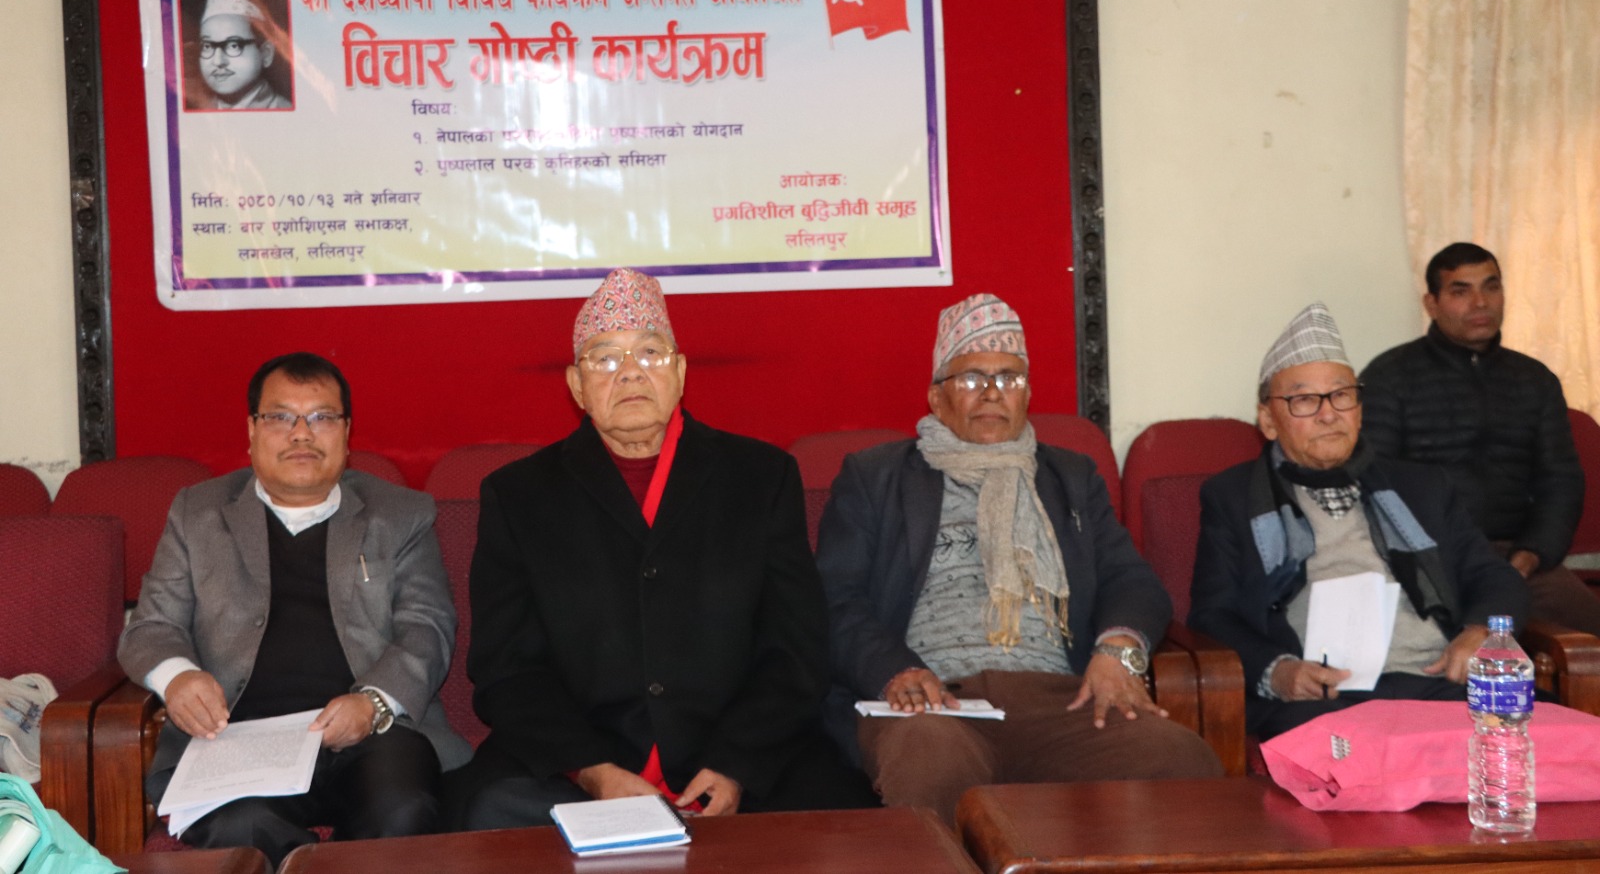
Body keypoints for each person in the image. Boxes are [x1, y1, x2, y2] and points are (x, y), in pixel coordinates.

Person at [452, 267, 874, 829]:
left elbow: (796, 650)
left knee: (844, 825)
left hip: (740, 750)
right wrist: (592, 770)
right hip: (577, 759)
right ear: (576, 386)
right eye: (605, 359)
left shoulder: (760, 477)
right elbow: (505, 667)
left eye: (650, 353)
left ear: (679, 372)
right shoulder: (520, 495)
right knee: (488, 811)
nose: (630, 372)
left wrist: (735, 763)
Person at [815, 294, 1222, 824]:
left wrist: (1117, 651)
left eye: (1009, 377)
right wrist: (895, 671)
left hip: (1059, 700)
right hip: (933, 702)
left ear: (1027, 394)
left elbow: (1132, 581)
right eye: (971, 378)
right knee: (929, 760)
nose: (992, 392)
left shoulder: (1069, 478)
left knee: (1181, 757)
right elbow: (833, 599)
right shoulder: (876, 477)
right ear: (936, 398)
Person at [119, 352, 468, 867]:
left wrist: (373, 704)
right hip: (236, 739)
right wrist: (178, 679)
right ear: (252, 430)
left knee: (401, 810)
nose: (301, 433)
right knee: (241, 828)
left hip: (369, 734)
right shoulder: (198, 512)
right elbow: (151, 626)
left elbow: (427, 627)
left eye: (321, 417)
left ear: (346, 433)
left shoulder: (399, 514)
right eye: (281, 416)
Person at [1189, 303, 1529, 739]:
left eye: (1342, 395)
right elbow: (1212, 615)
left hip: (1437, 683)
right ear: (1269, 421)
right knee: (1333, 752)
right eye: (1304, 400)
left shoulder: (1421, 487)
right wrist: (1279, 671)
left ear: (1360, 408)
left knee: (1544, 734)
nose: (1329, 413)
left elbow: (1493, 576)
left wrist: (1480, 631)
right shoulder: (1233, 497)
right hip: (1324, 701)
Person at [1361, 242, 1599, 635]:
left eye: (1491, 287)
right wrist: (1429, 558)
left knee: (1589, 641)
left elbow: (1561, 481)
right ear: (1432, 303)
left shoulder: (1535, 380)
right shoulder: (1389, 377)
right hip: (1427, 558)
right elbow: (1373, 481)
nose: (1480, 302)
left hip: (1518, 558)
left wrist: (1528, 557)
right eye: (1461, 291)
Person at [193, 0, 292, 110]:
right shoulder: (199, 111)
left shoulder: (284, 109)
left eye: (233, 45)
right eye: (207, 46)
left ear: (266, 53)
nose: (218, 61)